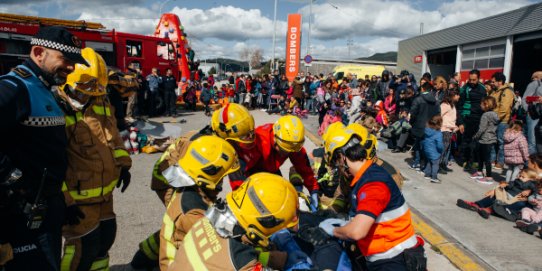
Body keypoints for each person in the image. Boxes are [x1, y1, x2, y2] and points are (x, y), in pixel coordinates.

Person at [0, 26, 87, 271]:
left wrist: (63, 201)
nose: (71, 67)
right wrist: (12, 177)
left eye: (74, 61)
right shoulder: (14, 88)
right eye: (66, 59)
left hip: (47, 209)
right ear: (39, 52)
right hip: (21, 216)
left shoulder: (46, 90)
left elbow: (47, 155)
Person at [131, 103, 256, 269]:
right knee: (186, 222)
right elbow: (183, 179)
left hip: (182, 179)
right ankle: (162, 260)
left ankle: (146, 255)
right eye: (236, 141)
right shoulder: (197, 143)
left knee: (182, 220)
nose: (239, 145)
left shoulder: (215, 140)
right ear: (224, 132)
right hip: (170, 181)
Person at [56, 48, 132, 271]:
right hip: (77, 201)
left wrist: (124, 165)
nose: (89, 94)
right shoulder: (56, 110)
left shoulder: (100, 102)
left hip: (104, 195)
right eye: (85, 88)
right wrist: (64, 201)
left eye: (96, 88)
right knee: (81, 249)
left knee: (105, 241)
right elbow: (52, 161)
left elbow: (114, 138)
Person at [321, 128, 426, 271]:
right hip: (385, 256)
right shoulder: (366, 176)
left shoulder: (373, 183)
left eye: (335, 161)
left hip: (394, 259)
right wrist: (346, 223)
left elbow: (357, 232)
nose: (337, 167)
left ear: (342, 157)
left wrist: (333, 231)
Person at [167, 173, 305, 271]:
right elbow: (238, 260)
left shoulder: (208, 220)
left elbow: (225, 255)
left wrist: (278, 259)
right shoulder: (242, 264)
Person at [158, 136, 240, 271]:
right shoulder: (192, 211)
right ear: (208, 175)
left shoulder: (191, 190)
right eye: (222, 177)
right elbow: (221, 241)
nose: (222, 181)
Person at [247, 116, 320, 211]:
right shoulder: (258, 141)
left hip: (271, 169)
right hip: (252, 172)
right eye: (284, 150)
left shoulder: (291, 143)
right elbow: (240, 171)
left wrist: (313, 189)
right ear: (275, 139)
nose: (286, 154)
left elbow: (304, 168)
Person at [457, 168, 538, 219]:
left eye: (522, 177)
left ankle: (489, 210)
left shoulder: (533, 183)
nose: (520, 177)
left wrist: (530, 191)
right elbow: (510, 185)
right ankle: (477, 205)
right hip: (509, 194)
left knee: (516, 203)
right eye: (520, 175)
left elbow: (536, 191)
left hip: (519, 200)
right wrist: (502, 186)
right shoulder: (518, 180)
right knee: (496, 193)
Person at [457, 69, 487, 171]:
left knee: (475, 142)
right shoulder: (464, 88)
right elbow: (459, 106)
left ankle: (472, 161)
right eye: (470, 80)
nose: (472, 82)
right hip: (467, 117)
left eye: (474, 80)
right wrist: (460, 122)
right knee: (466, 141)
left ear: (478, 79)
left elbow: (485, 105)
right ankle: (462, 160)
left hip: (479, 118)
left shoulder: (483, 89)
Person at [409, 82, 441, 170]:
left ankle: (417, 163)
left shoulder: (418, 99)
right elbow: (438, 115)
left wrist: (412, 123)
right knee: (427, 146)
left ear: (422, 89)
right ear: (430, 90)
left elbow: (413, 113)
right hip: (431, 127)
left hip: (419, 126)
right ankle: (426, 165)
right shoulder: (436, 102)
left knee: (418, 145)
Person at [470, 96, 499, 184]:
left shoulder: (485, 115)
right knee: (484, 157)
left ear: (486, 105)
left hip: (484, 139)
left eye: (481, 104)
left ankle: (489, 177)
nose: (480, 105)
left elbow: (482, 129)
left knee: (484, 158)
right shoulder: (495, 114)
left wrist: (475, 136)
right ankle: (479, 172)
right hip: (491, 138)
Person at [489, 72, 515, 170]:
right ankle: (491, 160)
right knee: (492, 141)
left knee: (501, 142)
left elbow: (504, 108)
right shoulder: (495, 91)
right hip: (494, 119)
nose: (492, 83)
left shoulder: (507, 92)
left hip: (502, 121)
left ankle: (500, 162)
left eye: (493, 81)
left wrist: (495, 118)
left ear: (500, 82)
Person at [439, 90, 460, 173]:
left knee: (447, 149)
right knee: (443, 148)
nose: (459, 97)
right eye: (457, 95)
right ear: (453, 95)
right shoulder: (445, 105)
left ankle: (444, 164)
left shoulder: (452, 105)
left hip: (450, 130)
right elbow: (439, 115)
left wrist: (454, 126)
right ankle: (438, 165)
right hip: (445, 130)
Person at [522, 71, 542, 154]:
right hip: (534, 114)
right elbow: (526, 98)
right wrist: (528, 111)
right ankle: (531, 161)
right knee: (532, 139)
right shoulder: (535, 83)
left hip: (539, 114)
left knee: (538, 138)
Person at [422, 115, 444, 183]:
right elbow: (439, 145)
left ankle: (427, 174)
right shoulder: (438, 133)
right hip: (434, 151)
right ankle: (434, 177)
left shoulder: (427, 130)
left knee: (429, 161)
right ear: (440, 123)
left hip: (426, 150)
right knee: (435, 164)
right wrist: (441, 150)